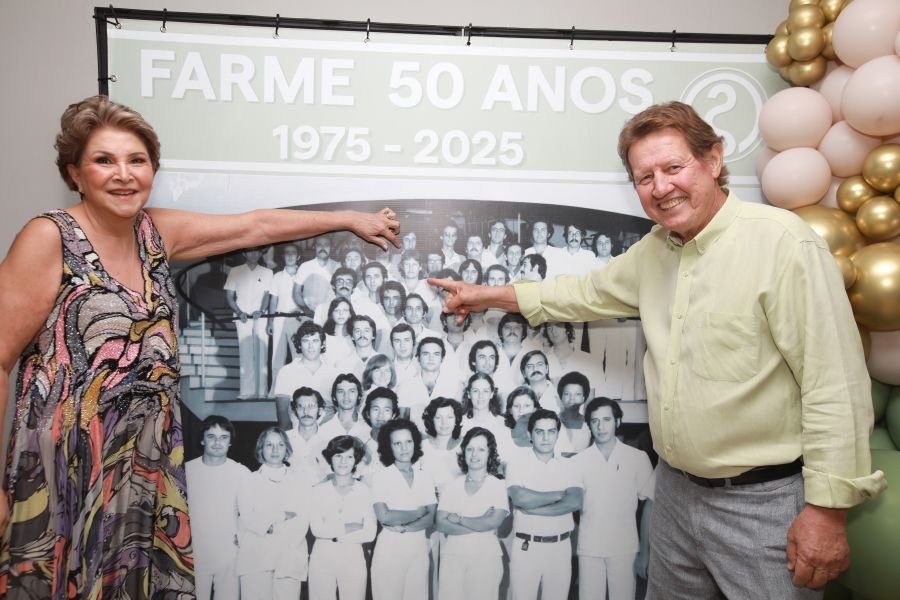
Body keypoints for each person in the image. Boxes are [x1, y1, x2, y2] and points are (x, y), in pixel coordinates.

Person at [429, 101, 885, 597]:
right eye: (645, 177)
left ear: (712, 160)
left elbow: (834, 383)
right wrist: (484, 296)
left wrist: (826, 512)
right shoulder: (655, 251)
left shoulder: (781, 244)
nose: (661, 187)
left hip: (762, 505)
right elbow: (579, 293)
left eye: (673, 167)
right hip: (674, 495)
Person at [0, 95, 399, 598]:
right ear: (74, 173)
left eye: (136, 160)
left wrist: (347, 219)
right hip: (67, 466)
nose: (123, 174)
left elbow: (253, 226)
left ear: (152, 170)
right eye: (105, 160)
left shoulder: (156, 233)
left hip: (143, 468)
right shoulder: (49, 237)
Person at [572, 398, 654, 600]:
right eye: (595, 421)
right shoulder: (578, 461)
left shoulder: (638, 458)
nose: (601, 427)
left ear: (617, 422)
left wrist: (645, 552)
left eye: (607, 419)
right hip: (589, 548)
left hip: (625, 548)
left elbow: (650, 506)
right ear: (589, 424)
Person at [505, 409, 583, 600]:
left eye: (551, 431)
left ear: (557, 434)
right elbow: (520, 499)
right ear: (530, 434)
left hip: (560, 548)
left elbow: (574, 501)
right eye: (539, 432)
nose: (546, 437)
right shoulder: (516, 464)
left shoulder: (570, 465)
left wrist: (532, 508)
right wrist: (559, 495)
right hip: (527, 547)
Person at [236, 427, 310, 600]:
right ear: (261, 449)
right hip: (255, 556)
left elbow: (302, 518)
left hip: (289, 556)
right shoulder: (249, 480)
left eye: (280, 445)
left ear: (287, 449)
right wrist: (282, 516)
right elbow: (247, 517)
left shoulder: (300, 482)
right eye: (269, 445)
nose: (275, 450)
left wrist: (268, 521)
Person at [435, 427, 510, 600]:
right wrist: (480, 521)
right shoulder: (451, 486)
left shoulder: (497, 486)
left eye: (481, 449)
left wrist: (459, 519)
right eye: (470, 449)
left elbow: (493, 522)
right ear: (463, 452)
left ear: (490, 454)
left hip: (486, 559)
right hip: (453, 558)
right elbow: (441, 524)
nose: (474, 454)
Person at [370, 419, 437, 600]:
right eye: (397, 443)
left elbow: (432, 517)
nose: (404, 448)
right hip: (389, 552)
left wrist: (406, 527)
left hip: (418, 551)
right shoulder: (381, 477)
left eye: (408, 442)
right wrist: (417, 512)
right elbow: (385, 516)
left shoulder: (425, 478)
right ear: (388, 447)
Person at [186, 416, 250, 600]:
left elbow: (249, 513)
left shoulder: (241, 472)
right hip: (194, 552)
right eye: (211, 436)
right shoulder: (186, 471)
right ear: (202, 439)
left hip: (229, 553)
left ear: (230, 442)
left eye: (223, 437)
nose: (217, 442)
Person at [308, 435, 377, 600]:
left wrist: (332, 532)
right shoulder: (318, 491)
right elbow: (317, 529)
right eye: (338, 455)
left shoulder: (365, 491)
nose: (343, 461)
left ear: (356, 460)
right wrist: (350, 526)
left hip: (353, 558)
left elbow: (369, 533)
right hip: (321, 558)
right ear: (330, 459)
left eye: (349, 456)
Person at [225, 246, 274, 399]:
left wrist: (262, 310)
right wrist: (239, 312)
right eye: (250, 251)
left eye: (257, 251)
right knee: (245, 352)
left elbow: (267, 295)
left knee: (262, 353)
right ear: (244, 253)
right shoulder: (235, 271)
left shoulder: (267, 272)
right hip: (242, 317)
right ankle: (246, 392)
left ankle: (261, 392)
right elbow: (229, 296)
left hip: (261, 316)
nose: (254, 254)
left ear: (261, 253)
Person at [271, 321, 339, 428]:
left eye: (315, 341)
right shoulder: (286, 372)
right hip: (297, 435)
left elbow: (338, 411)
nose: (311, 346)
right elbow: (283, 413)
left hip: (328, 436)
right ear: (299, 344)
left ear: (323, 344)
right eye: (306, 341)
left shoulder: (334, 373)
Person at [267, 243, 305, 373]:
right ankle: (274, 391)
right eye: (287, 253)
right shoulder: (277, 276)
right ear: (283, 256)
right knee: (277, 355)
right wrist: (270, 321)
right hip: (279, 318)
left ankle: (297, 388)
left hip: (297, 320)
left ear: (298, 256)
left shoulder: (303, 275)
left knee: (298, 355)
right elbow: (273, 300)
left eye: (293, 253)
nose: (290, 256)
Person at [317, 373, 371, 444]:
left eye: (351, 391)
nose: (346, 396)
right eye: (341, 391)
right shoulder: (324, 430)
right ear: (334, 397)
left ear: (359, 396)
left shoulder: (369, 429)